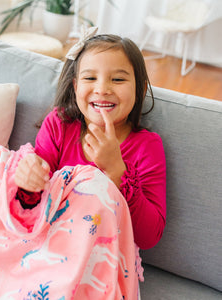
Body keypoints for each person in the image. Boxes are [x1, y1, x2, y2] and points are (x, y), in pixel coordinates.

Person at [14, 27, 166, 251]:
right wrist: (28, 182)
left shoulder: (147, 146)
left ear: (140, 90)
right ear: (76, 87)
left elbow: (149, 237)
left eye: (117, 79)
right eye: (90, 78)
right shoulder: (59, 125)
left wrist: (117, 170)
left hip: (100, 256)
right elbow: (32, 205)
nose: (102, 89)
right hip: (48, 245)